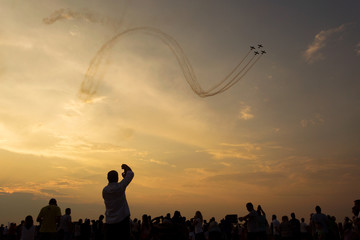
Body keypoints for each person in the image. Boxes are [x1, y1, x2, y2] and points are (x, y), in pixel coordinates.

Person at [103, 164, 134, 240]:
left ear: (107, 178)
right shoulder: (120, 187)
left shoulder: (105, 190)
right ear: (117, 178)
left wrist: (123, 181)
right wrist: (125, 166)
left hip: (109, 223)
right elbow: (131, 173)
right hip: (122, 222)